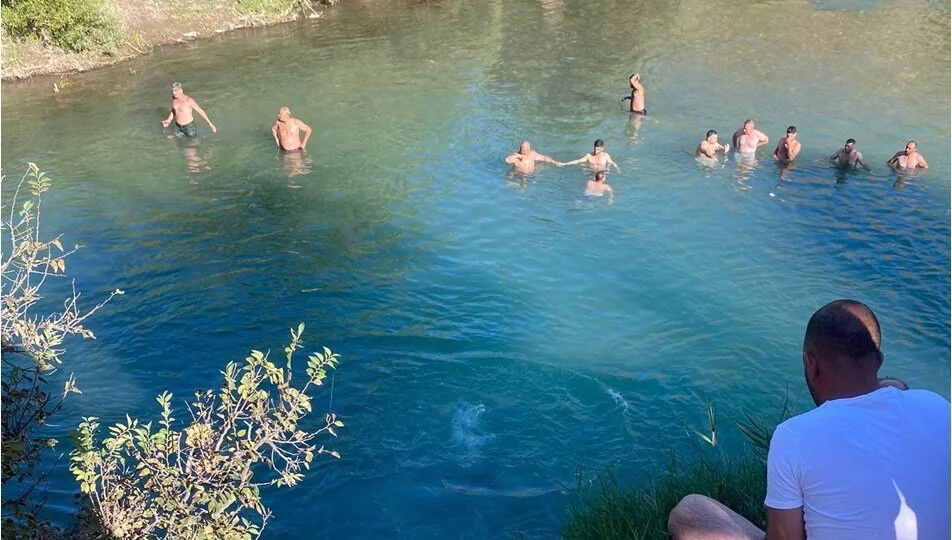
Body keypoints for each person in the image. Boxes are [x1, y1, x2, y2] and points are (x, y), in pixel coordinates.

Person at [668, 299, 951, 540]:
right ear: (878, 360)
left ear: (810, 364)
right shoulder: (938, 406)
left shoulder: (794, 437)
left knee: (692, 511)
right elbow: (898, 390)